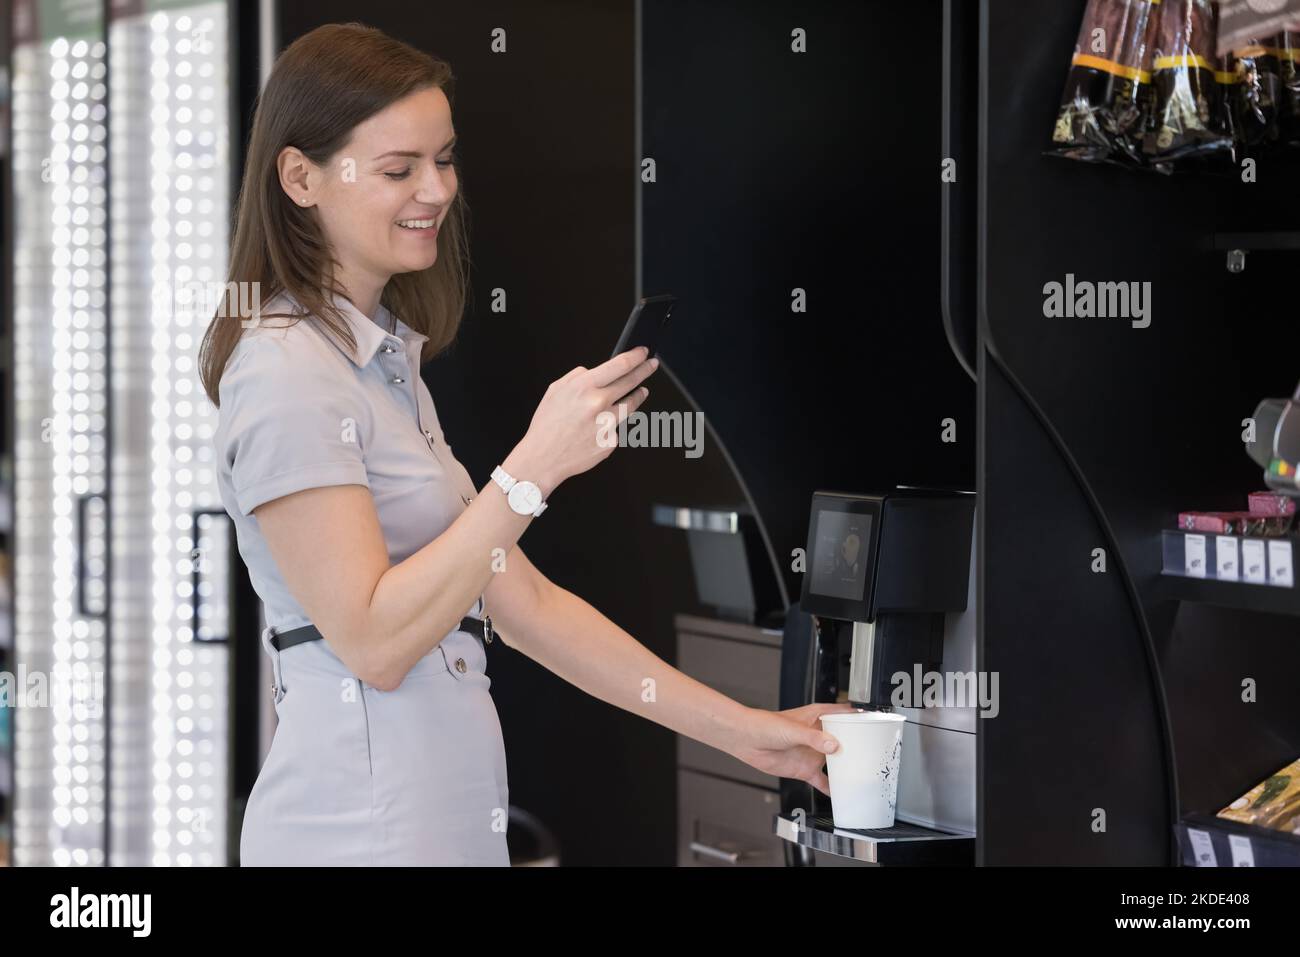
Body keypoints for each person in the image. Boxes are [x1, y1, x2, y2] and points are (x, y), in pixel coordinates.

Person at [198, 22, 851, 866]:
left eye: (444, 158)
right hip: (356, 835)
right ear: (301, 176)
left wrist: (753, 735)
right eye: (399, 169)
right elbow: (372, 639)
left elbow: (528, 607)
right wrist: (534, 468)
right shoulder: (287, 372)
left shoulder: (384, 365)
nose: (436, 189)